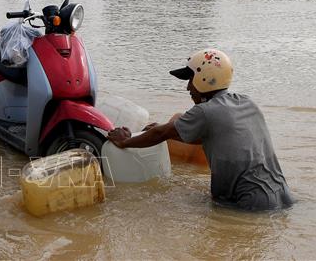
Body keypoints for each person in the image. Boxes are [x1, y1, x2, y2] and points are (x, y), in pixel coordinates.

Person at [107, 48, 293, 211]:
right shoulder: (246, 102)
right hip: (283, 195)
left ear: (204, 79)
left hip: (249, 203)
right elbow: (214, 137)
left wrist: (125, 141)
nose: (188, 87)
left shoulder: (205, 112)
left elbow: (160, 134)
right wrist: (165, 129)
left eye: (190, 80)